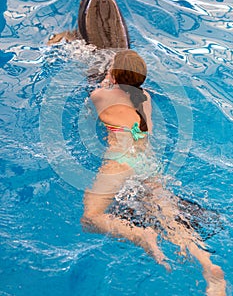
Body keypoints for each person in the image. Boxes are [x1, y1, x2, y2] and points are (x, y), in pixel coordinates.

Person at [81, 49, 226, 296]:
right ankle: (208, 266)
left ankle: (140, 235)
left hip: (121, 162)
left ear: (113, 75)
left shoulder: (100, 95)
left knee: (90, 218)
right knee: (172, 220)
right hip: (149, 165)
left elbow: (94, 101)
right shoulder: (145, 98)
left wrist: (108, 80)